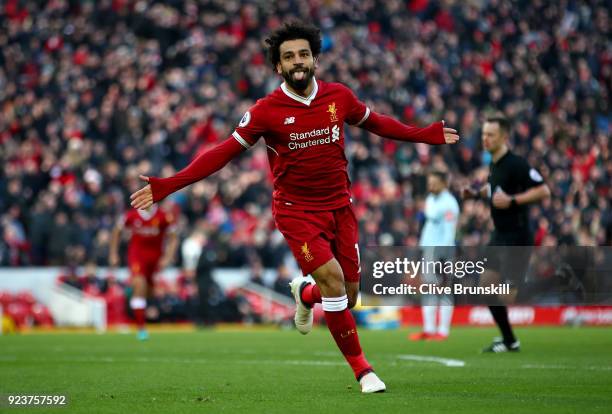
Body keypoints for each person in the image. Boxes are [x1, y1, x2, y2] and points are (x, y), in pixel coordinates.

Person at [130, 21, 459, 392]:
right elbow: (222, 153)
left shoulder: (339, 97)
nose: (297, 61)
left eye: (303, 54)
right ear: (278, 67)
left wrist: (425, 135)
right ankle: (363, 371)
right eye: (288, 57)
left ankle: (305, 294)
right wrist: (168, 185)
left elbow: (377, 123)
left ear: (315, 59)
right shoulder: (265, 111)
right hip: (296, 212)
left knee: (348, 296)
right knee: (334, 282)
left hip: (340, 208)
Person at [463, 115, 550, 353]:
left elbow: (544, 190)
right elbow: (495, 189)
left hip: (518, 236)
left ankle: (554, 282)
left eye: (490, 134)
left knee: (508, 296)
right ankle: (510, 340)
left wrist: (513, 200)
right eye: (483, 134)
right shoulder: (495, 164)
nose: (485, 138)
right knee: (486, 287)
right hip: (499, 236)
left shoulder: (516, 164)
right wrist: (477, 193)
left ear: (504, 137)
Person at [109, 204, 178, 340]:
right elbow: (116, 231)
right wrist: (113, 254)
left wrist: (168, 257)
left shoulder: (164, 215)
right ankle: (141, 328)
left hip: (155, 258)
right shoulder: (131, 215)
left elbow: (174, 237)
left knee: (149, 292)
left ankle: (133, 297)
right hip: (137, 255)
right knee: (139, 284)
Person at [410, 170, 459, 341]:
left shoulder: (450, 204)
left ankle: (443, 330)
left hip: (442, 252)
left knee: (444, 289)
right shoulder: (431, 199)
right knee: (429, 289)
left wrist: (443, 257)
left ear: (444, 183)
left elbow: (449, 232)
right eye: (429, 182)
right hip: (429, 250)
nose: (430, 186)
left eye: (434, 183)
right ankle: (429, 329)